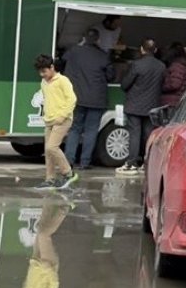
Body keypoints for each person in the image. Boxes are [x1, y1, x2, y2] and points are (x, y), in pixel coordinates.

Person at [61, 28, 112, 172]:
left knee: (74, 129)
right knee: (91, 131)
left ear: (84, 38)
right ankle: (84, 162)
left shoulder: (73, 51)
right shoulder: (103, 56)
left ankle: (69, 161)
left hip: (76, 98)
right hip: (96, 99)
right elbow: (111, 76)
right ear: (98, 40)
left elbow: (62, 62)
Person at [118, 38, 166, 175]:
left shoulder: (136, 65)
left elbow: (125, 84)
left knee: (134, 134)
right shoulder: (161, 66)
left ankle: (131, 164)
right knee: (148, 136)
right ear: (155, 50)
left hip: (134, 106)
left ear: (141, 49)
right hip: (152, 106)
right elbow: (163, 85)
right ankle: (147, 163)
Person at [33, 54, 78, 190]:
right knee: (48, 152)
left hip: (62, 120)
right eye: (40, 72)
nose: (42, 75)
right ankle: (50, 179)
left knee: (51, 147)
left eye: (44, 71)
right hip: (49, 120)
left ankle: (68, 173)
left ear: (52, 67)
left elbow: (72, 99)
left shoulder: (63, 80)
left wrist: (62, 116)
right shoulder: (44, 82)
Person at [18, 198, 70, 288]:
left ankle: (49, 202)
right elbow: (54, 285)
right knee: (44, 235)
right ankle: (64, 210)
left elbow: (29, 279)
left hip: (36, 261)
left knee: (40, 229)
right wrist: (48, 269)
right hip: (48, 264)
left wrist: (33, 263)